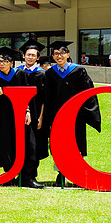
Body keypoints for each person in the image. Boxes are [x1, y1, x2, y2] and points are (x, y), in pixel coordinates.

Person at [44, 41, 101, 186]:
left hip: (76, 116)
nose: (59, 56)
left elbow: (88, 94)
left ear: (68, 55)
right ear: (53, 56)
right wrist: (49, 117)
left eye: (62, 53)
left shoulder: (79, 71)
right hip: (58, 116)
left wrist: (88, 113)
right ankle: (60, 174)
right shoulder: (50, 73)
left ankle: (78, 174)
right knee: (60, 146)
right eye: (56, 54)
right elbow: (47, 97)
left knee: (77, 144)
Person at [0, 47, 43, 188]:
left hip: (21, 116)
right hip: (3, 119)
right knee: (6, 146)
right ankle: (9, 176)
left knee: (28, 145)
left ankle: (27, 178)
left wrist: (29, 112)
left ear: (11, 62)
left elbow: (29, 97)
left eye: (5, 61)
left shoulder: (21, 75)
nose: (1, 64)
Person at [18, 39, 50, 184]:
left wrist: (41, 118)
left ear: (38, 58)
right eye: (28, 55)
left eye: (33, 55)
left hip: (36, 114)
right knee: (20, 144)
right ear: (23, 56)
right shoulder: (18, 73)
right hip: (20, 114)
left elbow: (44, 98)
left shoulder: (42, 74)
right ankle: (19, 174)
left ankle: (30, 176)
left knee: (34, 145)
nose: (30, 57)